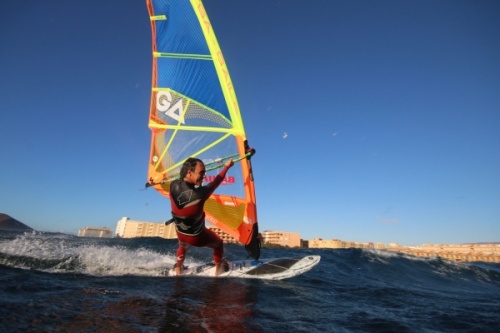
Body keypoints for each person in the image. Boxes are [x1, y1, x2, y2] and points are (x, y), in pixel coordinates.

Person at [169, 157, 234, 276]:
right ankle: (218, 270)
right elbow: (217, 181)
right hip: (197, 236)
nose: (204, 175)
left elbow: (181, 182)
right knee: (218, 243)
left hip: (181, 233)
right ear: (189, 172)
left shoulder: (173, 185)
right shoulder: (201, 193)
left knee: (183, 244)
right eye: (201, 172)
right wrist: (227, 166)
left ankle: (178, 268)